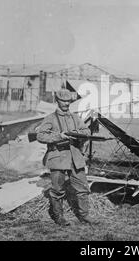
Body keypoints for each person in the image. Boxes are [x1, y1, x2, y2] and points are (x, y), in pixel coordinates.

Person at [36, 88, 95, 226]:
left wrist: (77, 133)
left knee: (82, 188)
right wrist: (59, 136)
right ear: (57, 101)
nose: (66, 104)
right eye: (63, 101)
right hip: (58, 158)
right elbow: (40, 136)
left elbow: (86, 130)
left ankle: (85, 216)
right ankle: (59, 217)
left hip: (75, 157)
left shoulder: (75, 117)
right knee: (57, 190)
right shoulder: (50, 118)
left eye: (68, 101)